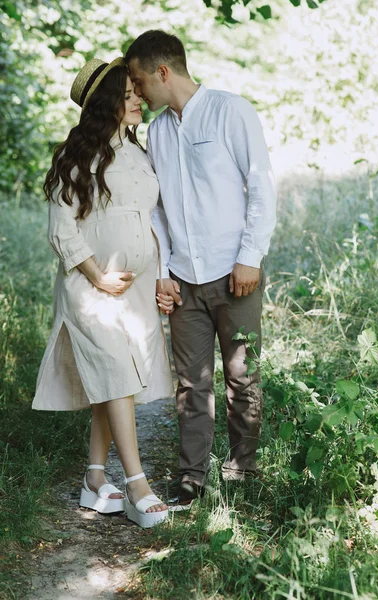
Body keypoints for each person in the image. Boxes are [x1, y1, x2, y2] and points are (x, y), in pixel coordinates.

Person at [126, 31, 277, 507]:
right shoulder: (158, 132)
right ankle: (192, 476)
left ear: (162, 73)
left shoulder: (232, 111)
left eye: (138, 80)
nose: (136, 92)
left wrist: (250, 255)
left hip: (235, 274)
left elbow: (262, 187)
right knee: (191, 382)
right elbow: (159, 211)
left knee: (242, 375)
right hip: (185, 279)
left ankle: (242, 470)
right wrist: (164, 270)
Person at [32, 56, 175, 528]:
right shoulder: (75, 156)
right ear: (104, 103)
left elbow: (152, 222)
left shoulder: (138, 153)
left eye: (137, 92)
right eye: (128, 93)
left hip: (133, 294)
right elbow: (62, 230)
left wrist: (161, 274)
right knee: (115, 373)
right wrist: (96, 275)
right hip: (91, 288)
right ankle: (137, 486)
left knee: (115, 384)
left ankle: (95, 479)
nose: (137, 100)